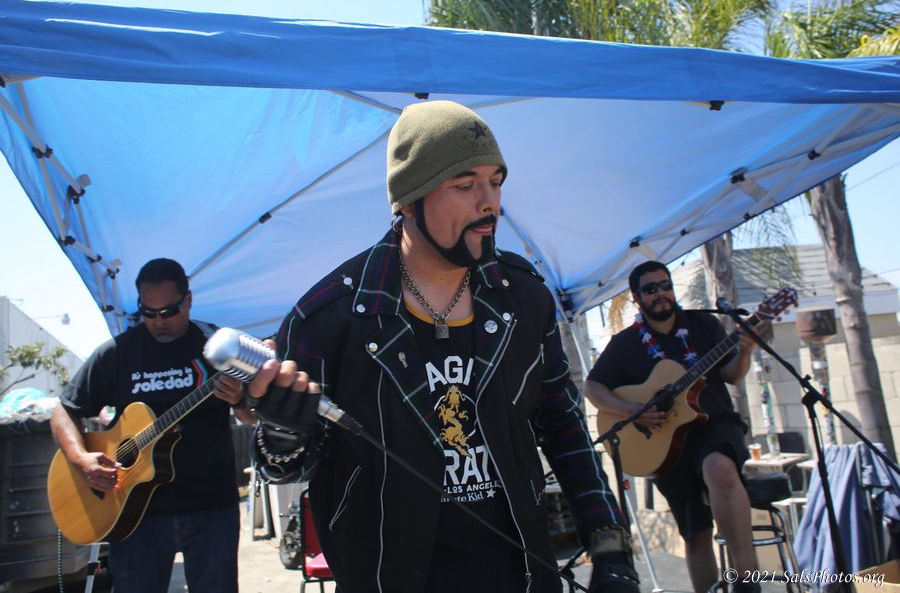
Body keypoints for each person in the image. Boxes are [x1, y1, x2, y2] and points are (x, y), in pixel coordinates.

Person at [245, 100, 639, 592]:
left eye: (496, 181)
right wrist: (282, 433)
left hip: (521, 574)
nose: (489, 203)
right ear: (409, 200)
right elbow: (284, 467)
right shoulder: (329, 317)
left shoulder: (522, 296)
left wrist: (609, 545)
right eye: (465, 185)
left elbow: (562, 424)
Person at [50, 258, 254, 593]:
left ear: (188, 300)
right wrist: (80, 459)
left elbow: (252, 418)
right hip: (133, 513)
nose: (159, 321)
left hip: (210, 507)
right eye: (148, 312)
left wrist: (240, 401)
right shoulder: (118, 353)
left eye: (169, 311)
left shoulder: (218, 347)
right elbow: (64, 411)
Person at [584, 260, 770, 593]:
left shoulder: (703, 324)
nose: (661, 294)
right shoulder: (626, 343)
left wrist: (745, 351)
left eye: (666, 286)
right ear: (637, 298)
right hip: (664, 443)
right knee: (695, 531)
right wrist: (631, 411)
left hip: (713, 424)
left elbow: (731, 375)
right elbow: (592, 387)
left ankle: (746, 582)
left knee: (718, 467)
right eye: (650, 289)